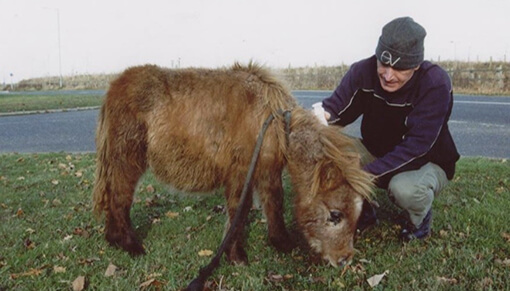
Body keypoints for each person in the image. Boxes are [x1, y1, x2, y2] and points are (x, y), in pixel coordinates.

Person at [315, 16, 460, 241]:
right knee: (330, 147)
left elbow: (417, 148)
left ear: (416, 65)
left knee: (404, 189)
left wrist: (363, 177)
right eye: (383, 64)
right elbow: (335, 110)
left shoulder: (435, 83)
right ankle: (363, 211)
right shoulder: (362, 71)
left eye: (399, 68)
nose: (388, 75)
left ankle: (418, 220)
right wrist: (318, 118)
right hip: (378, 151)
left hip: (426, 161)